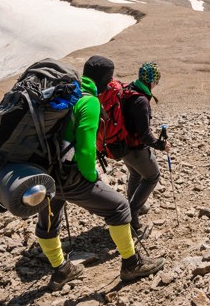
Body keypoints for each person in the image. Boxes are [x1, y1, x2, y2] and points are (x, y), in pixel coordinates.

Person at [35, 55, 163, 291]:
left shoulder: (66, 91)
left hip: (43, 173)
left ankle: (60, 269)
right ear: (106, 78)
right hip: (70, 175)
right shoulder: (90, 102)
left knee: (48, 222)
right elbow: (85, 149)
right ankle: (131, 264)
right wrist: (92, 178)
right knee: (119, 208)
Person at [121, 62, 171, 235]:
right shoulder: (141, 100)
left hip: (122, 146)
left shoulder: (129, 90)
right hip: (136, 149)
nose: (156, 84)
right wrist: (161, 145)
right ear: (151, 80)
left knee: (135, 174)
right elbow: (144, 135)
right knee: (152, 176)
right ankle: (132, 213)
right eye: (156, 80)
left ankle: (134, 205)